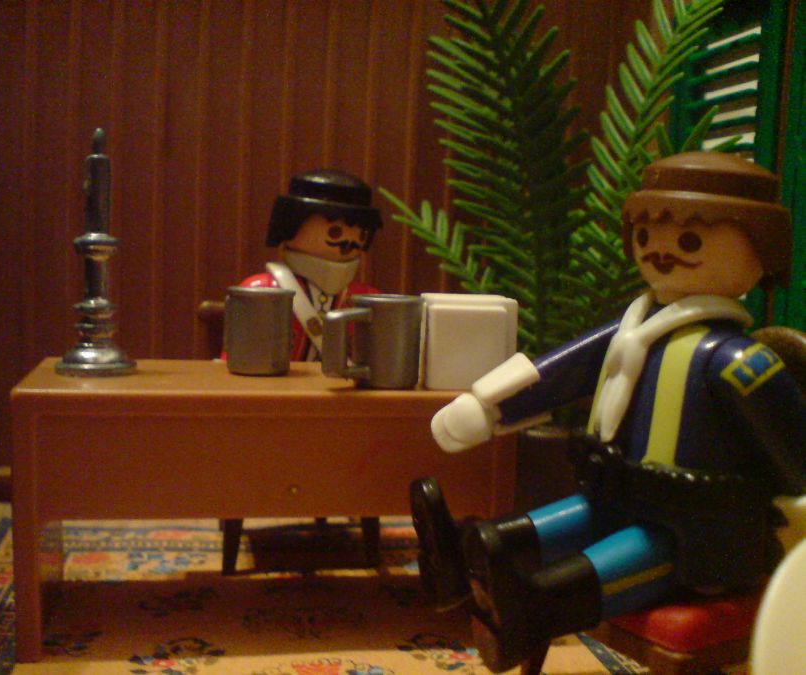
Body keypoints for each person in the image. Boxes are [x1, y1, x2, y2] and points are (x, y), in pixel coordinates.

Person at [411, 151, 806, 672]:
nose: (660, 253)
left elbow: (793, 450)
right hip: (614, 495)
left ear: (760, 248)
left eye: (689, 241)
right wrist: (489, 407)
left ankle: (535, 605)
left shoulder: (738, 362)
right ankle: (461, 558)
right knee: (512, 537)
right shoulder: (634, 331)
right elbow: (561, 371)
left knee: (621, 557)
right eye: (645, 236)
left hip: (697, 534)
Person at [238, 169, 383, 362]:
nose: (349, 242)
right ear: (291, 225)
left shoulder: (367, 298)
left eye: (361, 234)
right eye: (335, 232)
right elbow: (239, 355)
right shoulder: (261, 290)